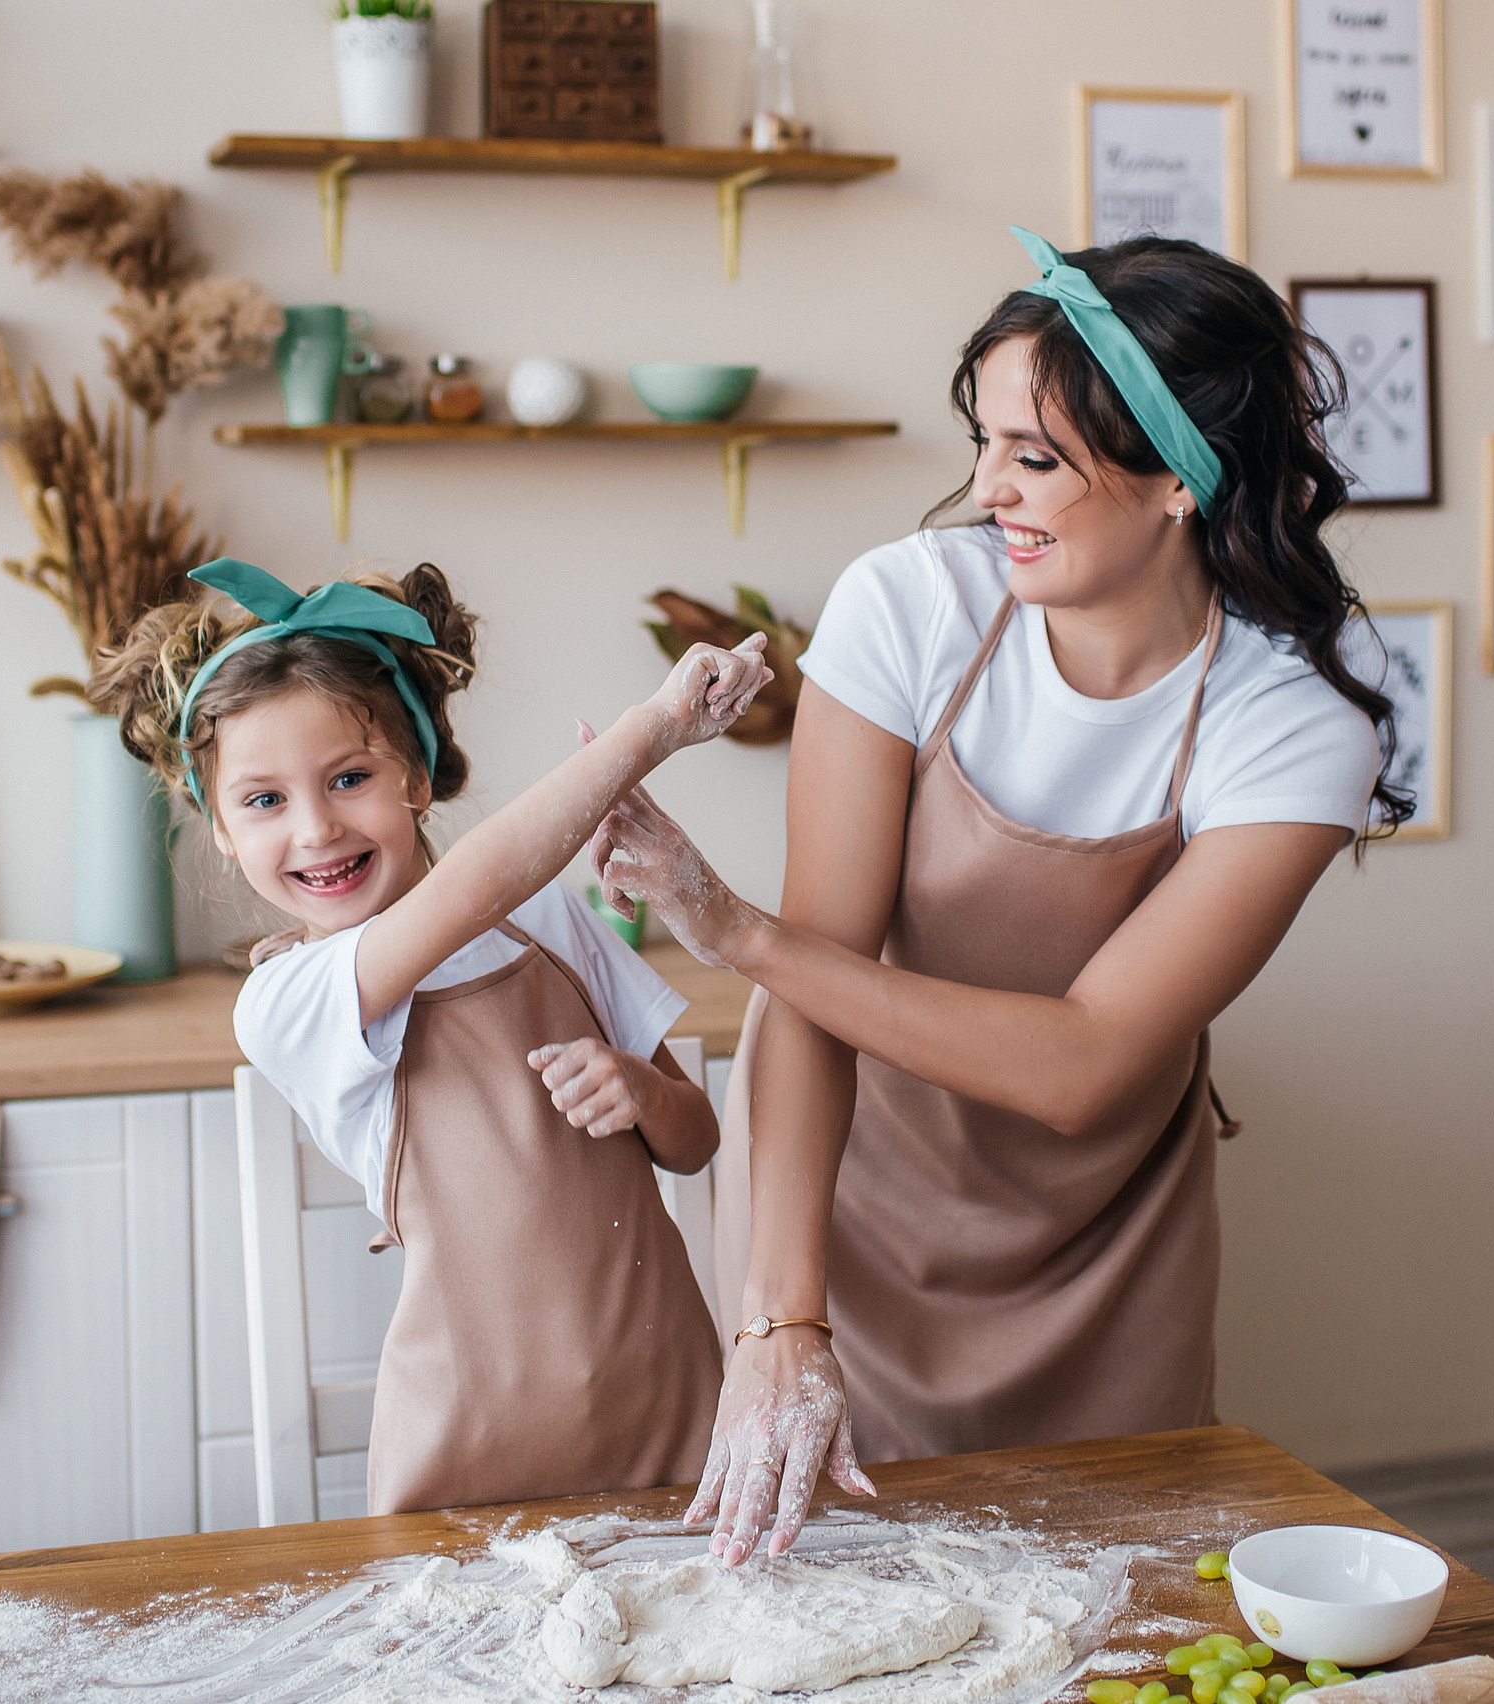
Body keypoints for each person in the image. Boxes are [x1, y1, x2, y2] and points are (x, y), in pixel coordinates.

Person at [591, 228, 1409, 1564]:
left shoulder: (1290, 727)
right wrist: (783, 1320)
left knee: (1102, 1613)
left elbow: (1086, 1062)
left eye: (1035, 459)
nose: (987, 492)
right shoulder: (908, 609)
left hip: (1106, 1255)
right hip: (845, 1206)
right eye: (983, 443)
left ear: (1176, 485)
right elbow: (815, 994)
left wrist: (735, 930)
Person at [99, 556, 773, 1516]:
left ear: (414, 777)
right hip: (469, 1449)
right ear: (218, 828)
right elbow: (467, 889)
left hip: (668, 1407)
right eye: (263, 801)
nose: (317, 828)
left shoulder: (547, 919)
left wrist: (642, 1090)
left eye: (348, 777)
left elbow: (696, 1139)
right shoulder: (290, 1000)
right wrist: (649, 732)